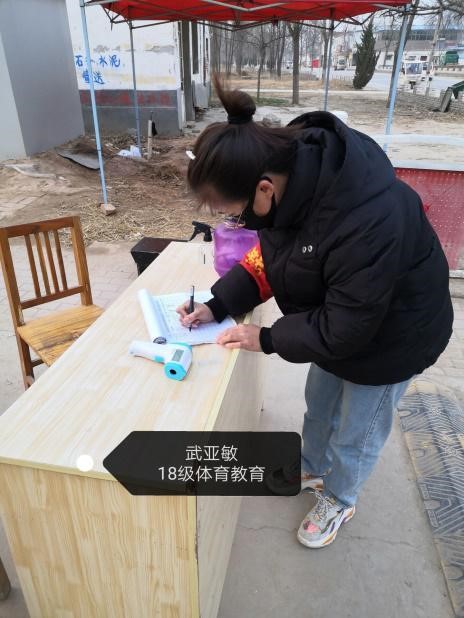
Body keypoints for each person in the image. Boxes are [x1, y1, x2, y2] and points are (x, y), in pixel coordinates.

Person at [176, 77, 453, 549]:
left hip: (396, 335)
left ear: (264, 189)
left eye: (236, 214)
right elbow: (271, 259)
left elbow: (347, 325)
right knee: (320, 405)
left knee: (357, 430)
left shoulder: (367, 217)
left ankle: (340, 498)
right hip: (340, 320)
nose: (238, 224)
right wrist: (217, 303)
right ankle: (312, 466)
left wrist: (267, 339)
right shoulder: (289, 185)